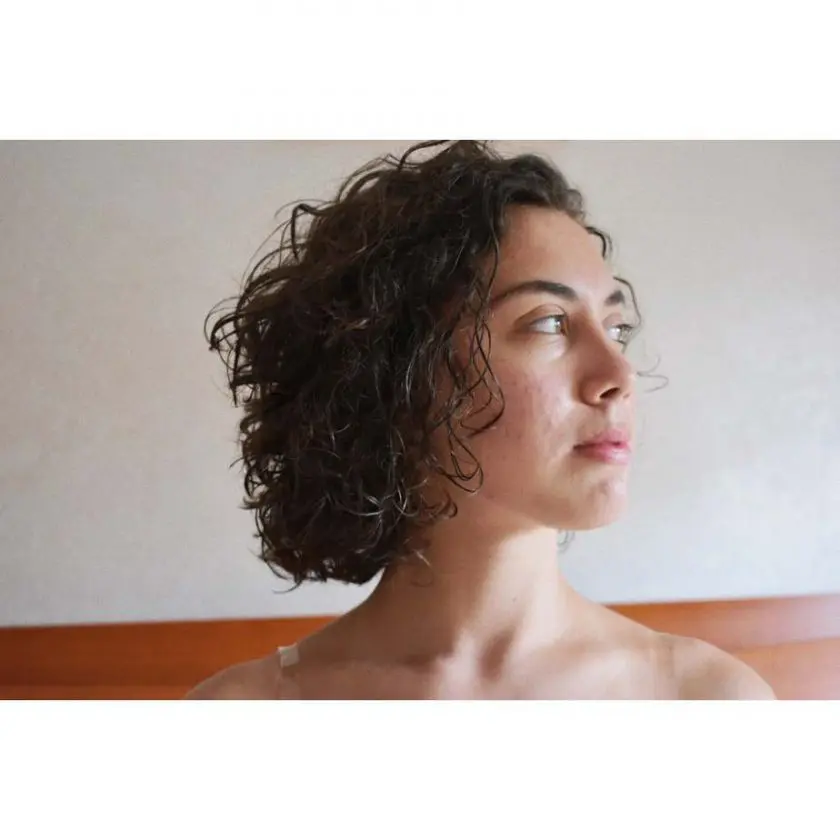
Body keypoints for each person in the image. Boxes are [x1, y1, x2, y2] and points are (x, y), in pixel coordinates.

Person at [187, 140, 774, 700]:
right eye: (549, 322)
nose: (619, 373)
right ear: (398, 371)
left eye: (616, 328)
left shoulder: (707, 697)